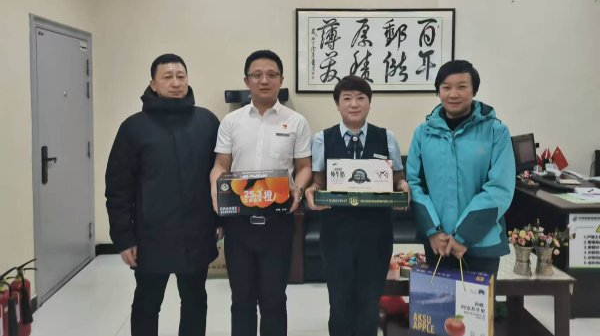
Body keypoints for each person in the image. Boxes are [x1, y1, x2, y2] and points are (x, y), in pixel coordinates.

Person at [105, 54, 219, 336]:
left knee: (195, 301)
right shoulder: (133, 128)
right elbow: (118, 188)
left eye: (181, 76)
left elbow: (220, 177)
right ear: (153, 84)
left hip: (197, 232)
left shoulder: (206, 122)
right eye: (167, 77)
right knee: (147, 303)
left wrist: (220, 220)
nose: (176, 83)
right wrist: (124, 237)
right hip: (150, 236)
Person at [210, 49, 312, 336]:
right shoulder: (231, 121)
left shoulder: (296, 121)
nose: (264, 80)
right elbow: (221, 165)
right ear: (247, 81)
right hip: (239, 222)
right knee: (241, 299)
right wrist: (216, 193)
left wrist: (298, 188)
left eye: (271, 75)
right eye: (257, 75)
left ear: (281, 79)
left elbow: (304, 167)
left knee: (274, 299)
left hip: (278, 221)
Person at [304, 75, 408, 336]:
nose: (354, 104)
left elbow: (397, 177)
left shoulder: (387, 138)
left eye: (361, 98)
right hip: (336, 231)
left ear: (369, 103)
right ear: (337, 104)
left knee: (369, 300)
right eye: (347, 98)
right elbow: (319, 181)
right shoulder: (322, 139)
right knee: (339, 299)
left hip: (376, 231)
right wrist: (312, 190)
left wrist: (402, 186)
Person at [406, 59, 515, 278]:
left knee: (477, 301)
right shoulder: (423, 133)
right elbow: (414, 184)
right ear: (438, 91)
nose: (453, 94)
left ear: (474, 90)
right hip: (438, 244)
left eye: (462, 87)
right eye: (446, 87)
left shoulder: (496, 132)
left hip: (481, 244)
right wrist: (433, 231)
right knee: (438, 300)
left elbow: (499, 187)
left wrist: (465, 235)